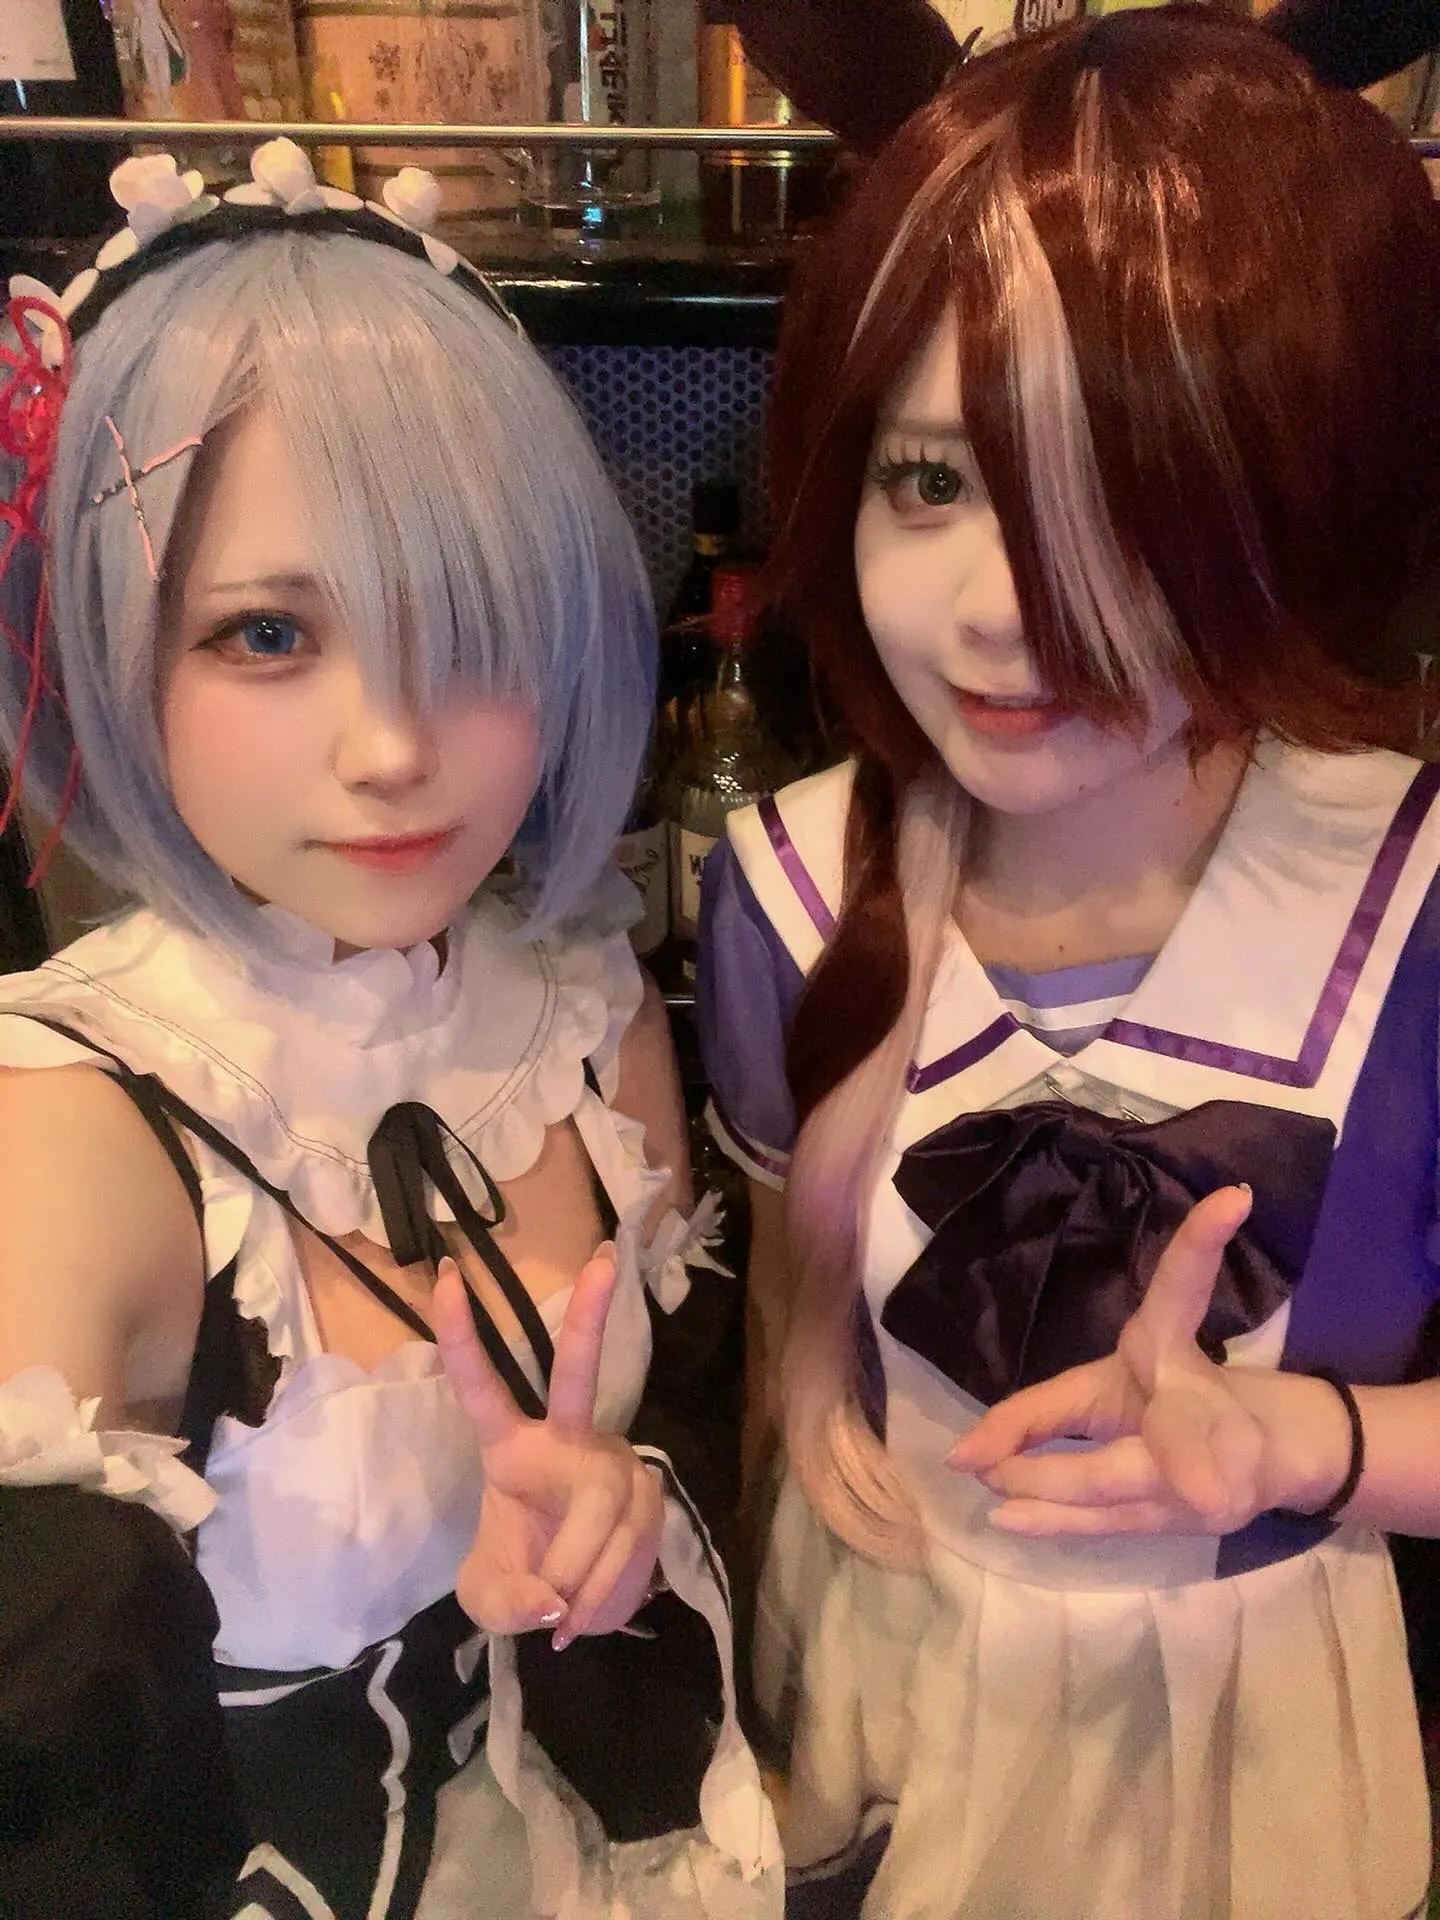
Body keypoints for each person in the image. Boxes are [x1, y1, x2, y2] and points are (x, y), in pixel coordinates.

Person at [696, 11, 1440, 1918]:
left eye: (1126, 492)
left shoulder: (1418, 902)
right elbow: (789, 1329)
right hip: (884, 1687)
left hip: (1255, 1736)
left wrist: (1304, 1440)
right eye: (933, 480)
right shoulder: (790, 889)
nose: (1002, 611)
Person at [0, 140, 781, 1919]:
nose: (393, 747)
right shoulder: (72, 1126)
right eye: (269, 632)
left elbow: (699, 1448)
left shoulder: (583, 1012)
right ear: (111, 645)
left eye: (468, 625)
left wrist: (619, 1518)